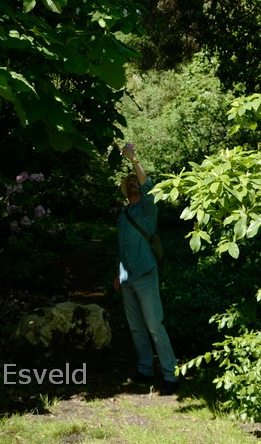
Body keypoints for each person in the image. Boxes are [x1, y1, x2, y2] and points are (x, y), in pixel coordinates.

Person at [114, 143, 177, 393]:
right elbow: (120, 248)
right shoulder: (123, 214)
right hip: (127, 278)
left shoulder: (148, 210)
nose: (132, 183)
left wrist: (133, 160)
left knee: (154, 326)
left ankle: (170, 375)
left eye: (135, 181)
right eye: (128, 182)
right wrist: (117, 275)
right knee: (136, 327)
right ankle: (144, 369)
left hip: (146, 276)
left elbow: (148, 185)